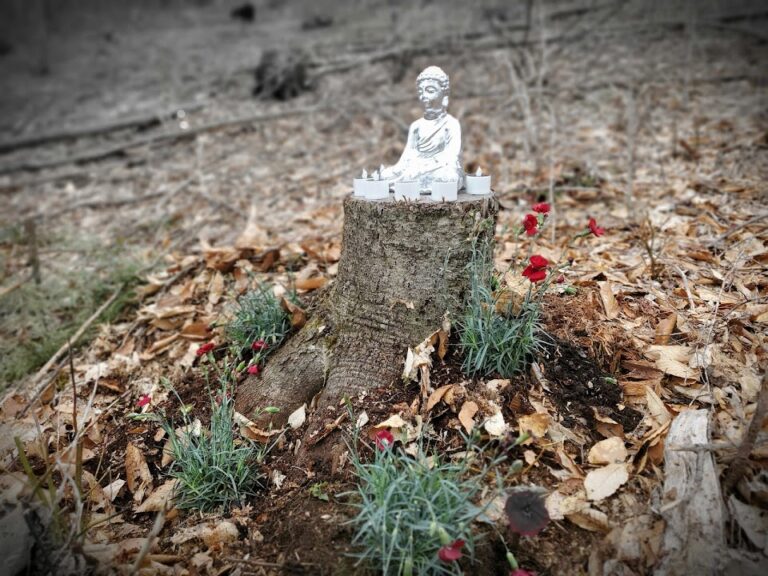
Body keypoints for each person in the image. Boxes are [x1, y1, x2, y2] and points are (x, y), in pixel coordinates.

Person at [381, 66, 464, 191]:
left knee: (449, 177)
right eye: (421, 91)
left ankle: (414, 183)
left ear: (444, 94)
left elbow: (452, 156)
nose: (424, 96)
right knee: (386, 175)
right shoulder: (416, 126)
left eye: (430, 91)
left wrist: (428, 165)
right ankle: (413, 182)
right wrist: (398, 170)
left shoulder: (451, 124)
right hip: (415, 168)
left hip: (439, 168)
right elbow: (407, 157)